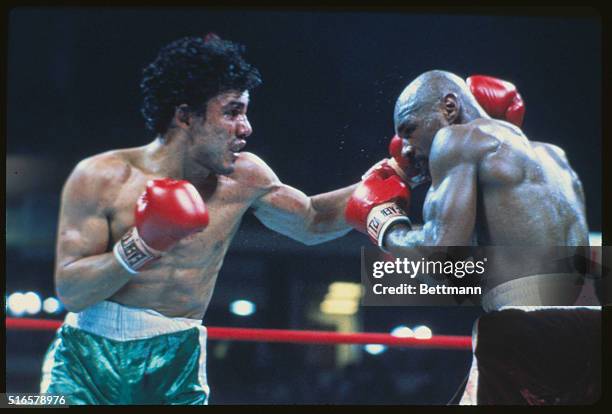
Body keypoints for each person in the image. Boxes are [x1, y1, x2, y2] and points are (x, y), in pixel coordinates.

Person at [40, 34, 361, 405]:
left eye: (244, 112)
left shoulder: (244, 177)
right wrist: (142, 246)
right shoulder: (102, 177)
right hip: (86, 361)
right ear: (184, 116)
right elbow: (71, 291)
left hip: (175, 362)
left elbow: (313, 222)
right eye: (231, 111)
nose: (246, 127)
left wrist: (392, 175)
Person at [345, 71, 601, 404]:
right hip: (595, 327)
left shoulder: (456, 140)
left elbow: (442, 258)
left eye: (409, 129)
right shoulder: (555, 157)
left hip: (529, 329)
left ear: (449, 108)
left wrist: (385, 224)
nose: (405, 149)